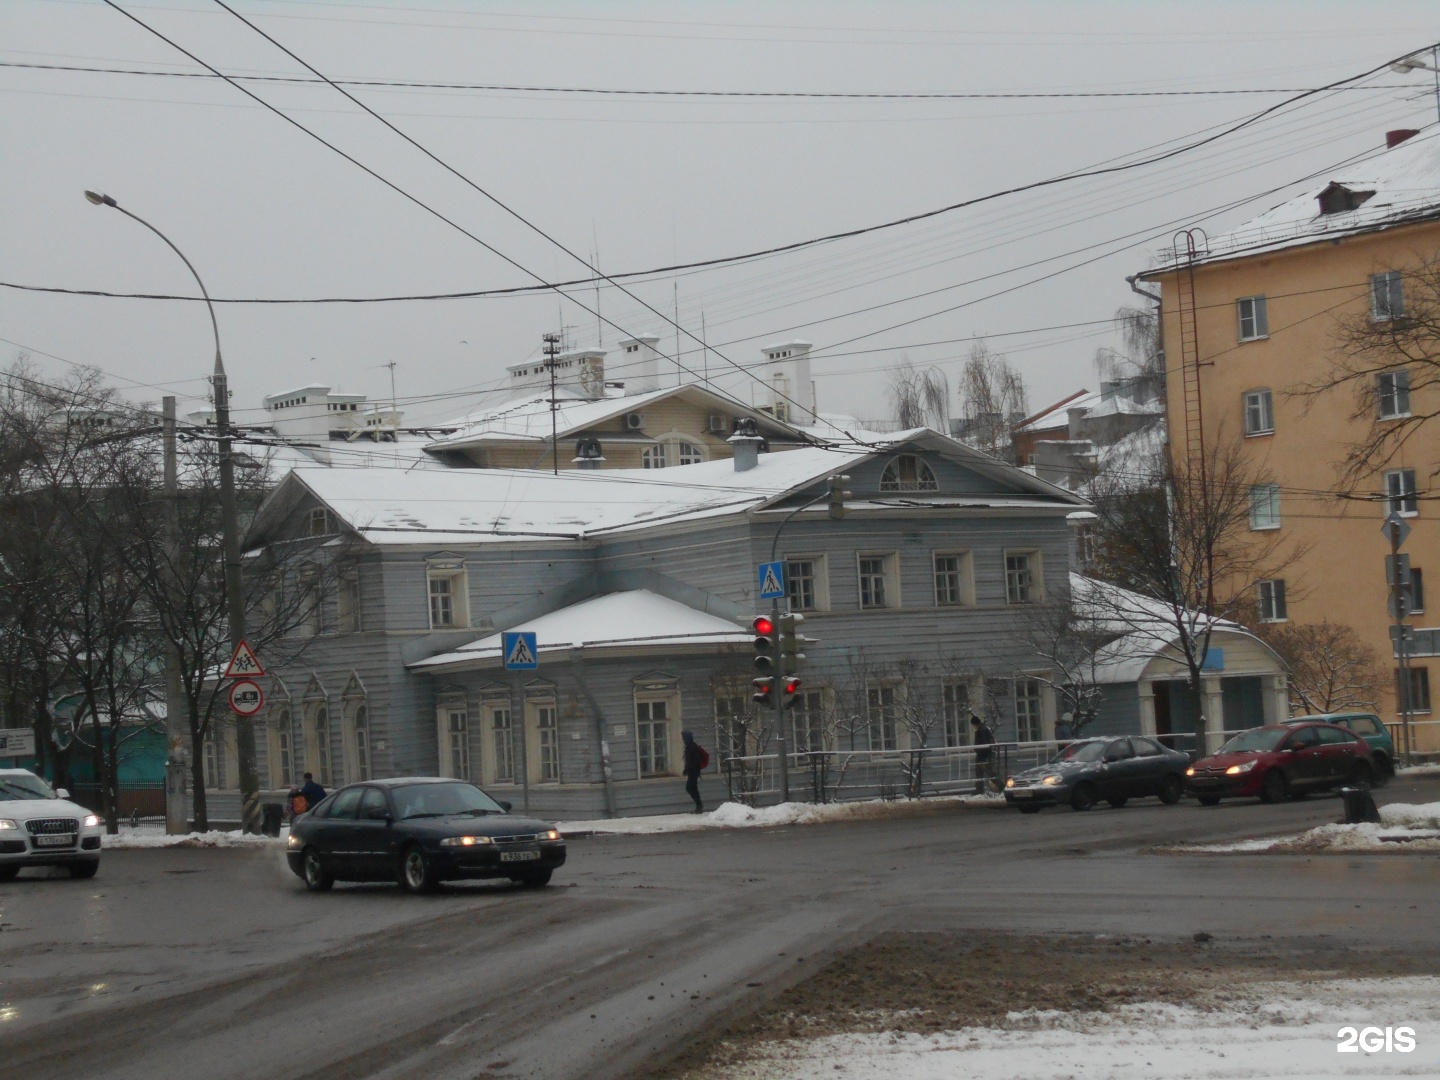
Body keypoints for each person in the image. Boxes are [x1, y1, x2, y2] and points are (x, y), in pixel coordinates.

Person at [681, 730, 708, 814]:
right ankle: (699, 806)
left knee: (689, 788)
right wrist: (686, 769)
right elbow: (689, 761)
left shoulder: (692, 747)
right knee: (693, 788)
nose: (683, 739)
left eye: (683, 737)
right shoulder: (689, 746)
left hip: (694, 771)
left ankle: (699, 805)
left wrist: (688, 769)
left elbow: (695, 760)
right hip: (693, 771)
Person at [970, 714, 996, 789]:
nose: (973, 726)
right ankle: (979, 788)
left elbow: (983, 743)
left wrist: (978, 750)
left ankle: (980, 789)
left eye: (973, 725)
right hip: (984, 755)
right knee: (983, 772)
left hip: (983, 755)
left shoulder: (982, 730)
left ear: (975, 723)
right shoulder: (982, 729)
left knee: (986, 772)